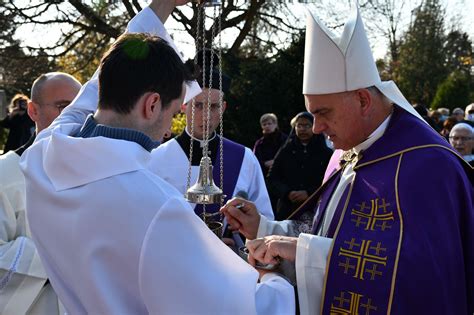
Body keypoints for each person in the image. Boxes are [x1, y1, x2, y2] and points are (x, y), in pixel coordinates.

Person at [20, 2, 294, 314]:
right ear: (152, 105)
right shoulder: (157, 208)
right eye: (176, 109)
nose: (171, 124)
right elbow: (243, 309)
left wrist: (161, 6)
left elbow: (96, 89)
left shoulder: (41, 157)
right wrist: (274, 278)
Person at [222, 7, 473, 315]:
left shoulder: (430, 165)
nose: (316, 128)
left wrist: (302, 252)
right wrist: (262, 227)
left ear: (363, 101)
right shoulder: (345, 152)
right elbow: (324, 231)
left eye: (323, 113)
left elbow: (420, 278)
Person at [148, 60, 275, 225]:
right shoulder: (157, 159)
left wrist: (240, 239)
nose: (207, 116)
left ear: (223, 108)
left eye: (214, 106)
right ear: (184, 106)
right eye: (199, 105)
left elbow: (264, 220)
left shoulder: (244, 158)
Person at [0, 72, 81, 314]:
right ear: (33, 111)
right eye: (63, 107)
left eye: (82, 108)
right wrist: (60, 256)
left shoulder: (96, 173)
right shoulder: (5, 175)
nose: (75, 117)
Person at [267, 112, 332, 220]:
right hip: (287, 210)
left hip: (314, 209)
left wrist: (309, 193)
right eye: (299, 126)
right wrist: (287, 193)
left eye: (307, 126)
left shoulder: (325, 153)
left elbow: (329, 180)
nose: (302, 129)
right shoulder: (285, 151)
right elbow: (272, 178)